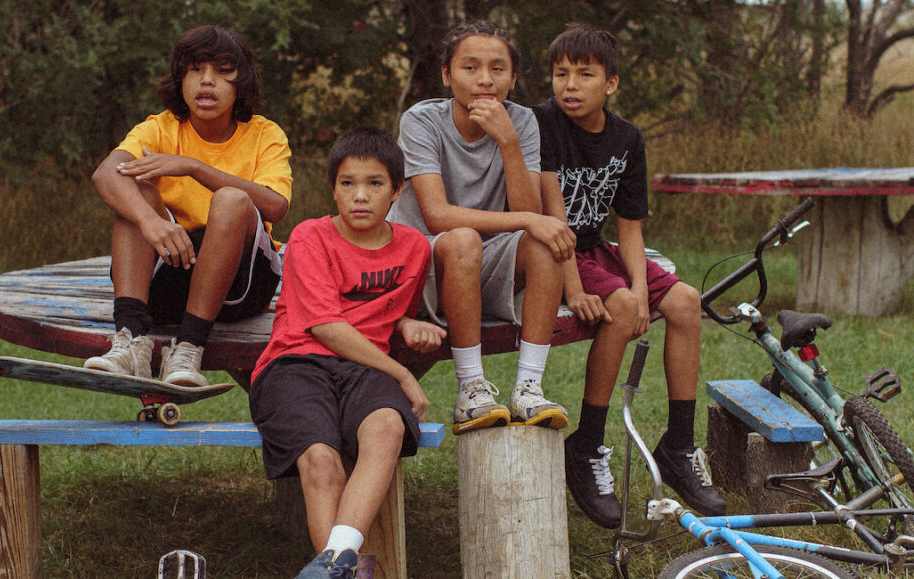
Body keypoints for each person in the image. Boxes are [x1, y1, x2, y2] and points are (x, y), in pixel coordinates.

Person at [532, 23, 726, 528]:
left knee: (684, 301)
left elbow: (630, 227)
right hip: (552, 250)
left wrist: (643, 289)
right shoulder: (541, 125)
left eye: (584, 75)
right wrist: (591, 291)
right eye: (560, 74)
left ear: (611, 84)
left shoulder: (626, 139)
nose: (569, 85)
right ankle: (588, 444)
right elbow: (551, 219)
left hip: (600, 247)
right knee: (618, 305)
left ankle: (679, 445)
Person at [249, 128, 446, 579]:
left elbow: (387, 311)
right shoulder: (309, 236)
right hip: (294, 363)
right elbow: (327, 326)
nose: (360, 196)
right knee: (322, 460)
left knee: (387, 427)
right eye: (347, 183)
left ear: (397, 190)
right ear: (333, 188)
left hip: (362, 367)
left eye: (375, 184)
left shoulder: (414, 247)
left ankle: (335, 563)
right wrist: (404, 373)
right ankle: (349, 570)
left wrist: (406, 323)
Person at [386, 20, 576, 435]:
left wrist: (507, 141)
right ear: (446, 74)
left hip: (482, 265)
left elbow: (530, 212)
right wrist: (529, 219)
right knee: (462, 239)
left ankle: (529, 386)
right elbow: (437, 215)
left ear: (513, 78)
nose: (484, 80)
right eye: (470, 68)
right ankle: (471, 387)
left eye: (497, 68)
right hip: (422, 268)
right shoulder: (422, 121)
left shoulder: (522, 122)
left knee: (542, 243)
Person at [84, 25, 292, 387]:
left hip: (241, 286)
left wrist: (194, 167)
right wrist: (149, 221)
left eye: (222, 70)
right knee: (134, 191)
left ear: (241, 81)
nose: (206, 81)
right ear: (180, 79)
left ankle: (190, 347)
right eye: (195, 69)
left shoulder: (264, 133)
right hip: (173, 269)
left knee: (231, 200)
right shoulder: (160, 127)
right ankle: (130, 340)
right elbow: (105, 175)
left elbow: (276, 206)